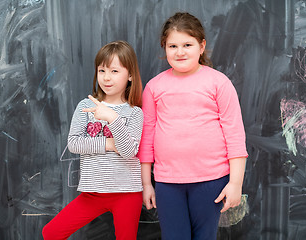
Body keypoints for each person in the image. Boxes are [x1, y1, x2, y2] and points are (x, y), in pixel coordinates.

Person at [138, 12, 248, 240]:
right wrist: (147, 184)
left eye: (187, 44)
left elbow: (235, 135)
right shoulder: (154, 87)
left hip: (211, 181)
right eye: (172, 46)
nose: (180, 52)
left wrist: (236, 183)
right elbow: (147, 136)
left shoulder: (219, 83)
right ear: (164, 48)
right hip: (168, 183)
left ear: (201, 46)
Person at [42, 40, 144, 240]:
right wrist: (108, 144)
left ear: (130, 75)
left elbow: (128, 151)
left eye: (115, 71)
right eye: (102, 71)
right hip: (92, 193)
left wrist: (112, 118)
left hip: (126, 193)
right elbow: (74, 143)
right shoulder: (85, 106)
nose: (107, 78)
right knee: (51, 233)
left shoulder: (135, 113)